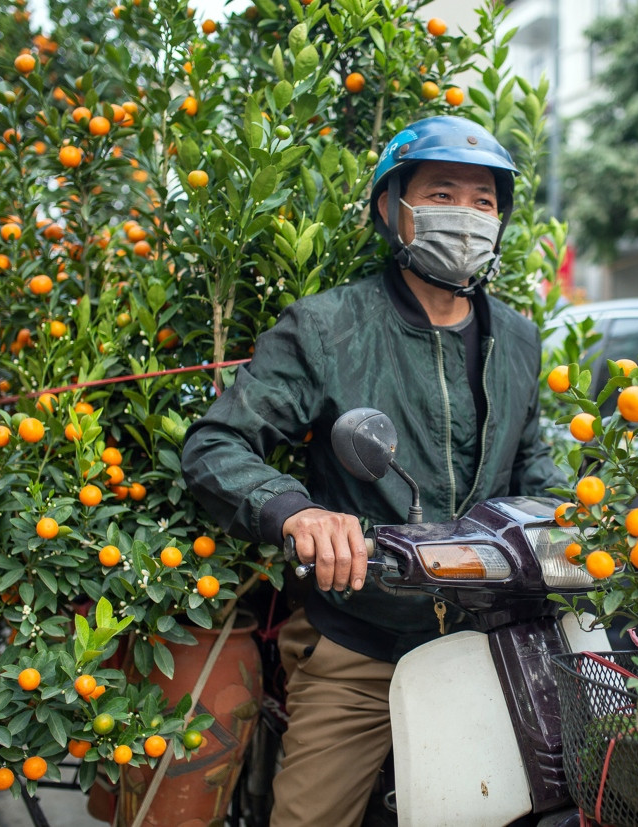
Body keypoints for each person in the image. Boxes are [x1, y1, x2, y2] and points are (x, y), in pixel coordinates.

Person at [181, 115, 564, 827]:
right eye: (443, 193)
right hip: (362, 638)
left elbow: (533, 466)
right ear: (394, 209)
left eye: (484, 202)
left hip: (493, 639)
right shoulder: (326, 327)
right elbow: (216, 445)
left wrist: (574, 521)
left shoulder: (516, 337)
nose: (467, 215)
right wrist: (295, 510)